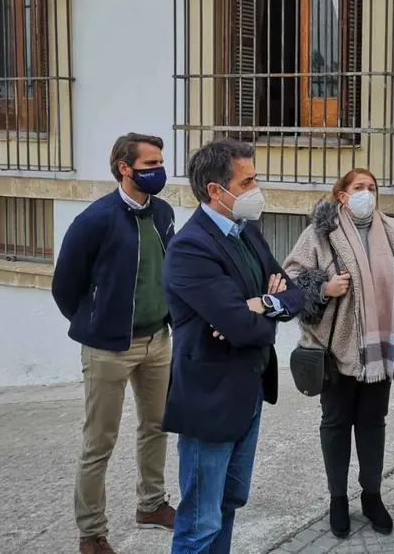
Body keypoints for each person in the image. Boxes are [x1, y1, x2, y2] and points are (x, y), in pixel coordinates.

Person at [161, 138, 304, 553]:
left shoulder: (247, 232)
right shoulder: (190, 247)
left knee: (229, 502)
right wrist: (256, 313)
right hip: (210, 400)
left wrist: (263, 304)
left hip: (249, 389)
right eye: (248, 182)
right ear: (215, 190)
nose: (257, 190)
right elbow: (242, 328)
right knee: (200, 522)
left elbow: (295, 294)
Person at [282, 168, 394, 539]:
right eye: (358, 187)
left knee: (373, 423)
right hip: (336, 351)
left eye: (371, 187)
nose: (367, 193)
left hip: (382, 350)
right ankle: (338, 499)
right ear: (342, 195)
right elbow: (291, 278)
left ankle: (372, 495)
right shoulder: (321, 233)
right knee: (335, 424)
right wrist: (324, 288)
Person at [52, 132, 177, 554]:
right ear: (124, 168)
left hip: (158, 341)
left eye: (160, 162)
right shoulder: (95, 220)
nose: (158, 170)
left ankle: (152, 505)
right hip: (108, 349)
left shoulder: (163, 213)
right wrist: (95, 324)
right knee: (99, 442)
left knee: (157, 427)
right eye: (149, 164)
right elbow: (65, 287)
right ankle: (91, 533)